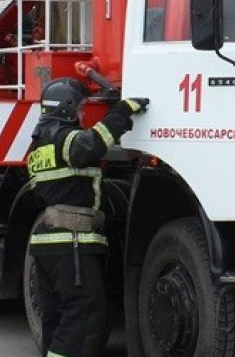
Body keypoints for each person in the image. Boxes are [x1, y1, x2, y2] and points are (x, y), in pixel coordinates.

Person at [26, 78, 147, 357]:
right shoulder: (63, 137)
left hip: (48, 242)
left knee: (56, 317)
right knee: (85, 313)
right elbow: (89, 146)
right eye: (80, 109)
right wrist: (121, 113)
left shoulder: (38, 146)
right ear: (67, 108)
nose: (82, 115)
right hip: (71, 242)